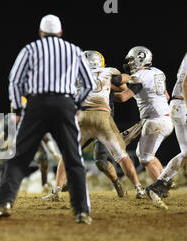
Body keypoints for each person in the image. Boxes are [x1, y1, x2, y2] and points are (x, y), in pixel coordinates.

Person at [0, 14, 96, 224]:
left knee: (19, 157)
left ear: (40, 33)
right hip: (65, 104)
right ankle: (81, 212)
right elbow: (89, 83)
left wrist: (18, 109)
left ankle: (4, 204)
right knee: (74, 159)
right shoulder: (74, 50)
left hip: (36, 104)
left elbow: (15, 81)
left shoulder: (30, 49)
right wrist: (77, 104)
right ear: (61, 33)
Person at [42, 51, 164, 207]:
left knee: (68, 155)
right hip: (102, 116)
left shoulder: (75, 74)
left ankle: (56, 190)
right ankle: (138, 188)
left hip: (82, 117)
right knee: (122, 156)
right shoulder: (108, 71)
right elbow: (122, 81)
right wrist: (135, 79)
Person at [114, 46, 174, 185]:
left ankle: (160, 187)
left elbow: (123, 97)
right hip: (166, 119)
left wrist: (106, 95)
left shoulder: (139, 76)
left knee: (145, 158)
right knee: (147, 155)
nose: (129, 63)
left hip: (155, 121)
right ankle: (166, 180)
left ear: (139, 59)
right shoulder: (158, 72)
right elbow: (166, 96)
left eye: (131, 60)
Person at [146, 52, 187, 199]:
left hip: (180, 104)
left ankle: (159, 184)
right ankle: (159, 184)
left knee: (186, 152)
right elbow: (186, 83)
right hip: (182, 104)